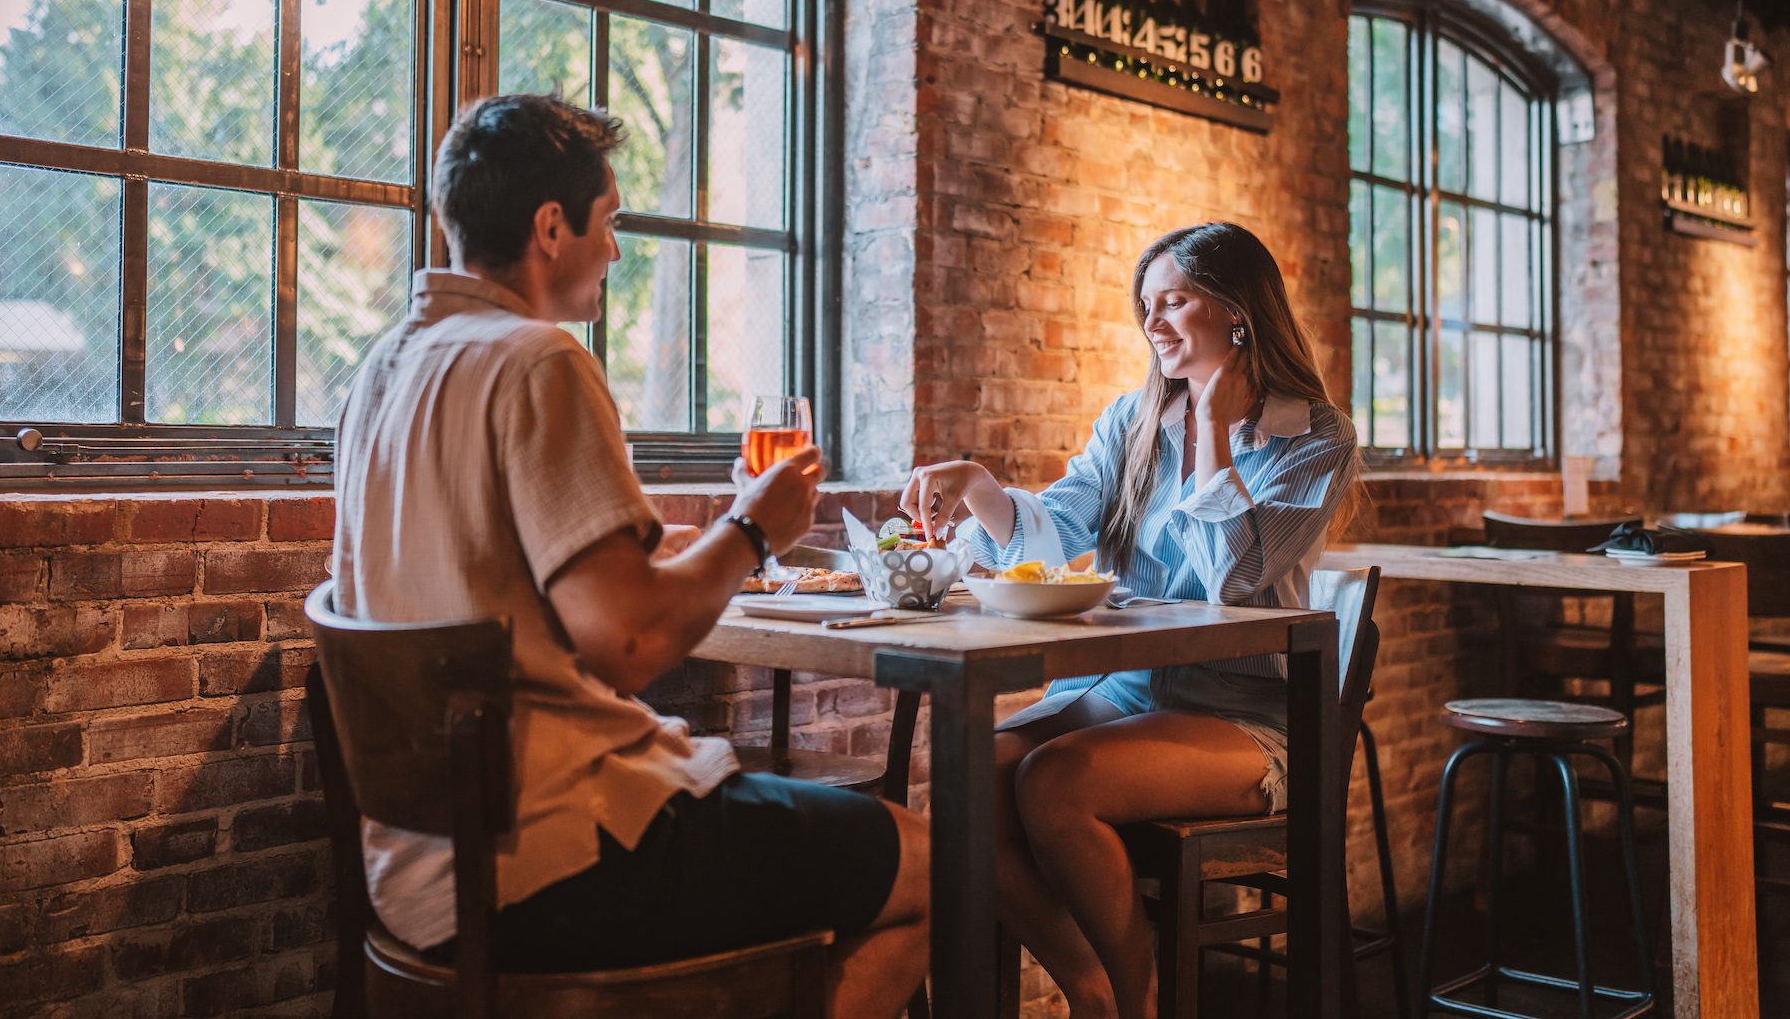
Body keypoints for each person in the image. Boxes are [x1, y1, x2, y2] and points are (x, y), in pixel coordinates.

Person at [332, 94, 928, 1018]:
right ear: (550, 227)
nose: (615, 250)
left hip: (414, 865)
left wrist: (702, 544)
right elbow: (632, 643)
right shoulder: (540, 361)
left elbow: (510, 584)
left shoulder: (387, 366)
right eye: (608, 224)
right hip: (555, 854)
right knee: (938, 865)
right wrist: (756, 529)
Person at [902, 222, 1359, 1019]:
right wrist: (976, 484)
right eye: (1146, 305)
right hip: (1125, 691)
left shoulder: (1316, 436)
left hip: (1245, 716)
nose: (1153, 324)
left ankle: (1138, 991)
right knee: (965, 775)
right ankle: (1092, 986)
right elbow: (1059, 529)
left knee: (1055, 780)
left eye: (1174, 301)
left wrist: (1213, 432)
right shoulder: (1133, 420)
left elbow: (1238, 578)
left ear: (1238, 312)